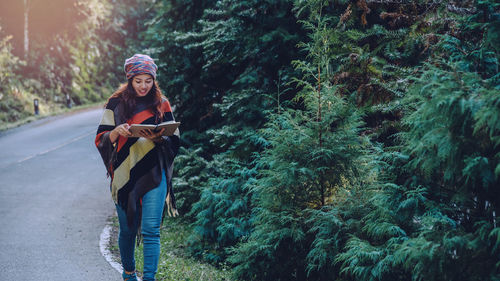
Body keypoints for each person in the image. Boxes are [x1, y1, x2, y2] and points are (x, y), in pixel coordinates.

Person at [95, 54, 180, 281]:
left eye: (148, 81)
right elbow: (101, 139)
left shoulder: (162, 103)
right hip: (125, 175)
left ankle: (150, 278)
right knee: (128, 230)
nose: (143, 86)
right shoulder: (116, 103)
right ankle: (129, 273)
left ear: (154, 80)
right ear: (130, 79)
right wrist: (116, 132)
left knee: (151, 230)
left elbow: (175, 139)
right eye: (138, 81)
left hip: (155, 172)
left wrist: (160, 138)